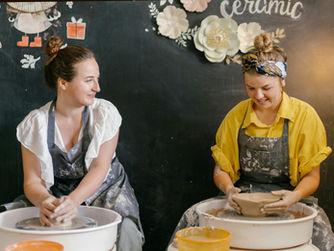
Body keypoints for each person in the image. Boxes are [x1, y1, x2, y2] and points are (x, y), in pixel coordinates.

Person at [169, 32, 334, 251]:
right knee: (191, 218)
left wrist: (295, 196)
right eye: (250, 88)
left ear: (282, 81)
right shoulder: (236, 116)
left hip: (291, 197)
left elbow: (312, 177)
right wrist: (228, 189)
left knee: (321, 233)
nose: (258, 96)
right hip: (241, 198)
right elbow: (221, 170)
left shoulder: (305, 116)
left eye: (266, 88)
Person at [1, 35, 144, 251]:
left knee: (125, 233)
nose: (97, 87)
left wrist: (74, 201)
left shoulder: (104, 114)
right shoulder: (35, 124)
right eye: (89, 80)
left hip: (106, 192)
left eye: (97, 79)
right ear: (63, 83)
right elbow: (32, 181)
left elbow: (100, 168)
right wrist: (45, 202)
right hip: (57, 194)